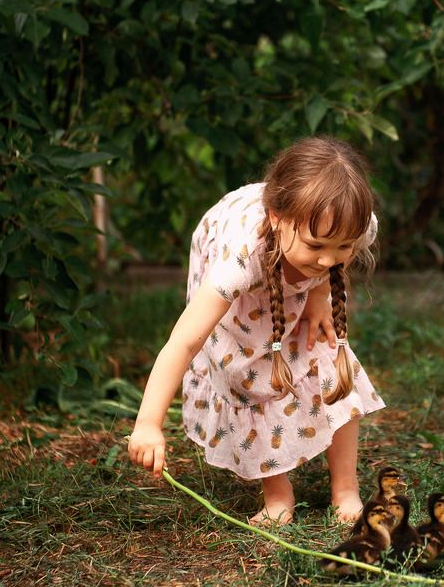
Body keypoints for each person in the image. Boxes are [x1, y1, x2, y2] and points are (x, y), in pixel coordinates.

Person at [127, 136, 385, 525]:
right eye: (316, 246)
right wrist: (148, 423)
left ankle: (345, 489)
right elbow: (184, 342)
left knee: (332, 365)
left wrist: (318, 292)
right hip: (244, 284)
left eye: (343, 246)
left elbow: (330, 253)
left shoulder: (352, 224)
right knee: (249, 374)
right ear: (278, 219)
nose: (330, 258)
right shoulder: (239, 257)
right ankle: (278, 492)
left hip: (290, 262)